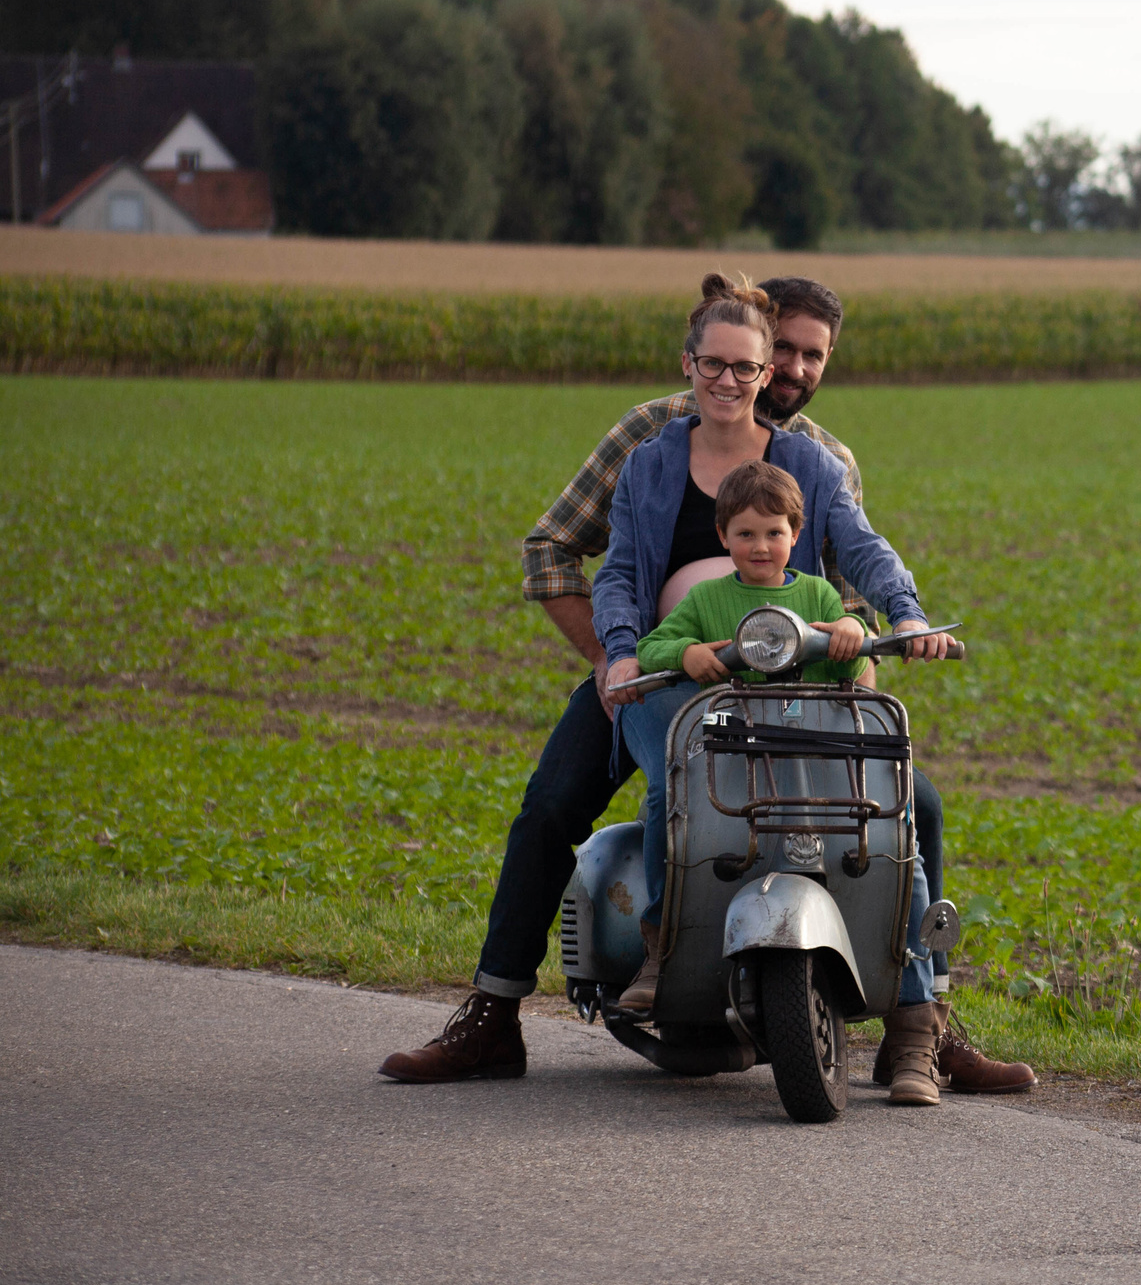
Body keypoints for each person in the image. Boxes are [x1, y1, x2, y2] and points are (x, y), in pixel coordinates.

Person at [379, 274, 1034, 1094]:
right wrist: (616, 656)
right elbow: (600, 566)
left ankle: (921, 1020)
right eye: (747, 357)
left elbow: (860, 557)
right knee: (552, 804)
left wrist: (902, 621)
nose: (763, 373)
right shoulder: (650, 446)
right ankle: (496, 1013)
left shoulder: (820, 461)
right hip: (658, 674)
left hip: (787, 681)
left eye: (790, 360)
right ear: (695, 359)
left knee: (914, 800)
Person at [610, 459, 869, 1016]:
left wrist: (853, 630)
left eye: (774, 532)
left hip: (805, 731)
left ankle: (868, 940)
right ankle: (662, 943)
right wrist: (687, 652)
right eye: (745, 533)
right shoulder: (706, 600)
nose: (760, 545)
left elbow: (853, 651)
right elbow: (653, 647)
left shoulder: (820, 596)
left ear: (796, 536)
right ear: (723, 536)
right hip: (732, 729)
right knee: (671, 792)